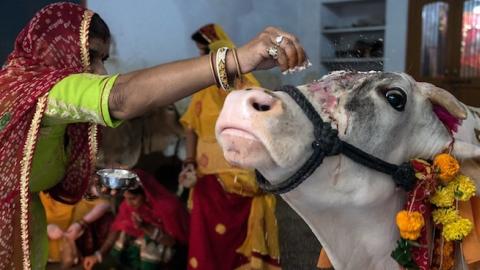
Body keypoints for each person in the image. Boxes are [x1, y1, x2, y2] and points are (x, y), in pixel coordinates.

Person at [0, 2, 308, 269]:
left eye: (104, 60)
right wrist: (237, 59)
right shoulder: (42, 90)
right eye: (91, 56)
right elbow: (122, 98)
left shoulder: (46, 105)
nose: (100, 73)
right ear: (57, 50)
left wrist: (85, 179)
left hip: (24, 231)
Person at [178, 23, 281, 270]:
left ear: (220, 51)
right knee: (206, 241)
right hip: (206, 179)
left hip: (240, 178)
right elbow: (190, 126)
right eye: (201, 54)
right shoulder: (202, 90)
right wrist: (190, 161)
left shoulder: (247, 88)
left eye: (205, 53)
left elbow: (263, 130)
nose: (202, 59)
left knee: (234, 240)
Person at [83, 169, 189, 270]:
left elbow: (173, 243)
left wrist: (145, 227)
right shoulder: (128, 207)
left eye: (133, 198)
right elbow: (117, 228)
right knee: (123, 235)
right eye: (126, 198)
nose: (129, 203)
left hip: (174, 250)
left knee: (149, 245)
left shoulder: (168, 208)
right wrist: (98, 255)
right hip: (149, 239)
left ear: (146, 193)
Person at [40, 187, 112, 269]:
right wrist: (43, 230)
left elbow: (105, 204)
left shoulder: (77, 190)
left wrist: (82, 223)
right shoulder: (35, 194)